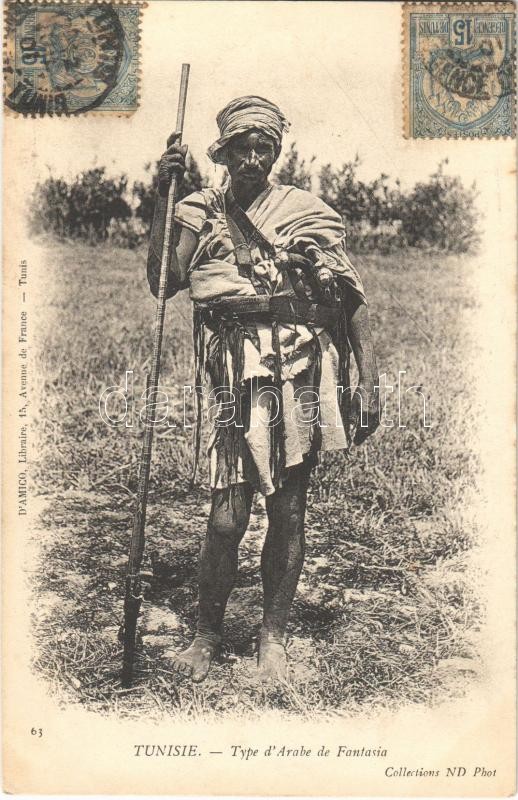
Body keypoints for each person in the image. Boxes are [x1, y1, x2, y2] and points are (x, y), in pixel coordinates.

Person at [147, 95, 380, 683]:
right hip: (232, 370)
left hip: (298, 366)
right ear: (223, 152)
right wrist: (162, 193)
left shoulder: (306, 211)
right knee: (226, 517)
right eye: (243, 147)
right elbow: (164, 281)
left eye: (265, 147)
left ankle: (271, 640)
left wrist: (366, 381)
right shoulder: (199, 208)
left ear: (276, 152)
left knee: (289, 511)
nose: (255, 157)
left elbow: (347, 301)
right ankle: (206, 634)